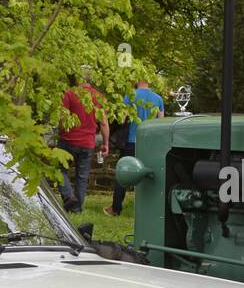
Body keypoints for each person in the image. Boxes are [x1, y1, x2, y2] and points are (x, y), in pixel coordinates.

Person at [106, 80, 165, 217]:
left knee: (124, 174)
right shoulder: (158, 99)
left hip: (131, 141)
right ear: (148, 81)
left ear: (136, 81)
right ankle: (151, 210)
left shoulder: (130, 96)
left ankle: (116, 208)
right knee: (150, 175)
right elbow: (161, 123)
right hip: (150, 143)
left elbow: (122, 119)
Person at [57, 75, 109, 213]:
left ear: (78, 79)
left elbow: (63, 118)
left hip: (67, 141)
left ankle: (68, 196)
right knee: (82, 177)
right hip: (87, 143)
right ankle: (77, 208)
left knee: (59, 171)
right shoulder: (98, 97)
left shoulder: (69, 93)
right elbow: (103, 123)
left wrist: (61, 132)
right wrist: (105, 143)